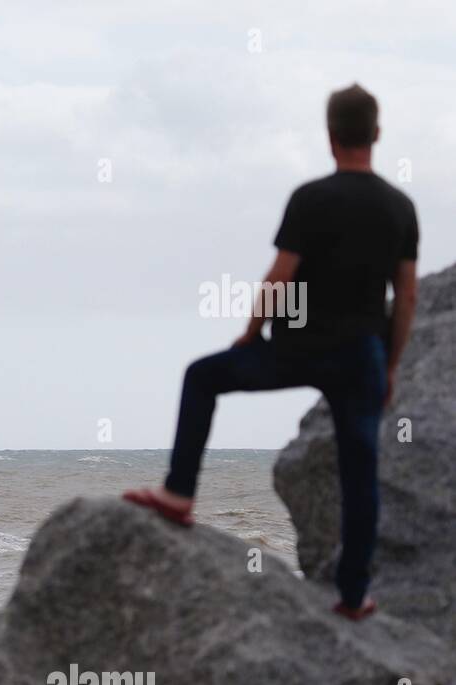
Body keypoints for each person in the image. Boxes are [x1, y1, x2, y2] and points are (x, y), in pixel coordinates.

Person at [124, 84, 419, 621]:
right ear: (376, 135)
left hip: (298, 347)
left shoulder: (312, 198)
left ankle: (180, 493)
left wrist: (249, 332)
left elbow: (282, 275)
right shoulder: (400, 207)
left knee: (202, 376)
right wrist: (392, 364)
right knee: (361, 468)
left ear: (330, 138)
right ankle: (353, 597)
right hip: (361, 356)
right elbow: (406, 297)